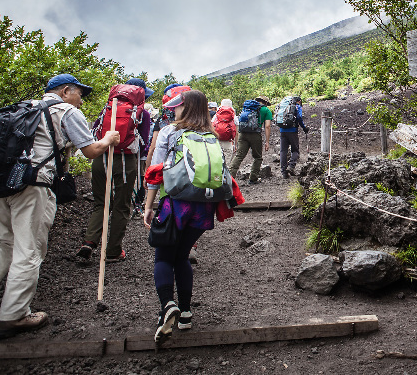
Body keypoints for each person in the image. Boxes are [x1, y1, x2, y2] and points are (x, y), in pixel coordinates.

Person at [0, 74, 120, 339]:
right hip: (33, 185)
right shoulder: (66, 111)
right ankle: (13, 316)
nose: (81, 100)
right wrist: (108, 139)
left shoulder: (22, 107)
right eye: (79, 94)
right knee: (28, 249)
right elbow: (91, 151)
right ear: (65, 91)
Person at [142, 89, 226, 344]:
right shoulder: (212, 135)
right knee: (183, 255)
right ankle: (186, 313)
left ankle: (168, 305)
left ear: (186, 108)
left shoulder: (170, 132)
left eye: (178, 106)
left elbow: (156, 173)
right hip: (204, 207)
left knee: (164, 256)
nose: (174, 109)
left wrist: (148, 205)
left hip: (177, 204)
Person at [76, 78, 153, 264]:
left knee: (101, 202)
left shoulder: (109, 107)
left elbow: (95, 130)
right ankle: (113, 250)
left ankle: (89, 243)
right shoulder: (143, 114)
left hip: (101, 156)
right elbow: (143, 142)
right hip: (126, 161)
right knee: (121, 205)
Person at [229, 97, 272, 185]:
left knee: (239, 156)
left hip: (243, 133)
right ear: (266, 103)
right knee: (257, 157)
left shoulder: (247, 108)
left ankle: (229, 178)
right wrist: (267, 141)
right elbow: (267, 126)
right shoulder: (266, 110)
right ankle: (253, 178)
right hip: (255, 135)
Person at [278, 96, 308, 179]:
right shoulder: (297, 107)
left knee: (283, 151)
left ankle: (284, 173)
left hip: (282, 130)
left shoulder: (283, 106)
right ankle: (291, 166)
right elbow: (299, 118)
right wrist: (304, 127)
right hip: (292, 131)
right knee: (295, 150)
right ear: (299, 101)